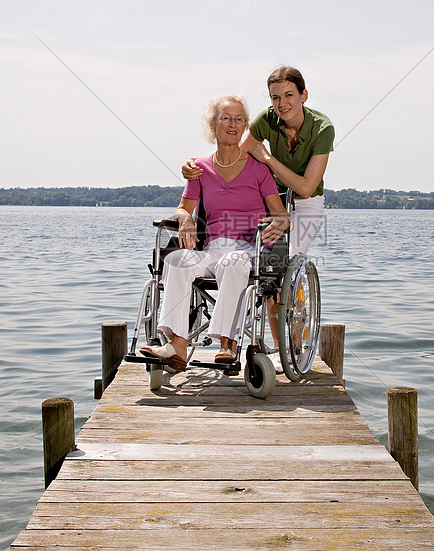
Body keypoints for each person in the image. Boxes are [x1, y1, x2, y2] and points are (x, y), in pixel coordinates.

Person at [183, 67, 334, 370]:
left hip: (305, 203)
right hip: (268, 197)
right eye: (275, 97)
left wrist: (266, 159)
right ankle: (245, 338)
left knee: (279, 265)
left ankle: (283, 347)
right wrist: (195, 168)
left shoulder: (322, 128)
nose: (282, 103)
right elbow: (232, 150)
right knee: (262, 261)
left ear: (303, 95)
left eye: (289, 95)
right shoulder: (267, 119)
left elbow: (304, 186)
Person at [140, 94, 289, 372]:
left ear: (245, 127)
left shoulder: (259, 170)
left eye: (239, 119)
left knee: (232, 263)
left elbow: (280, 214)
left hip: (248, 249)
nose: (233, 124)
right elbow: (182, 209)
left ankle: (227, 344)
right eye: (226, 118)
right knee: (175, 261)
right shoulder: (200, 169)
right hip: (211, 250)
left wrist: (280, 222)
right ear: (213, 125)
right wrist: (185, 220)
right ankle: (177, 345)